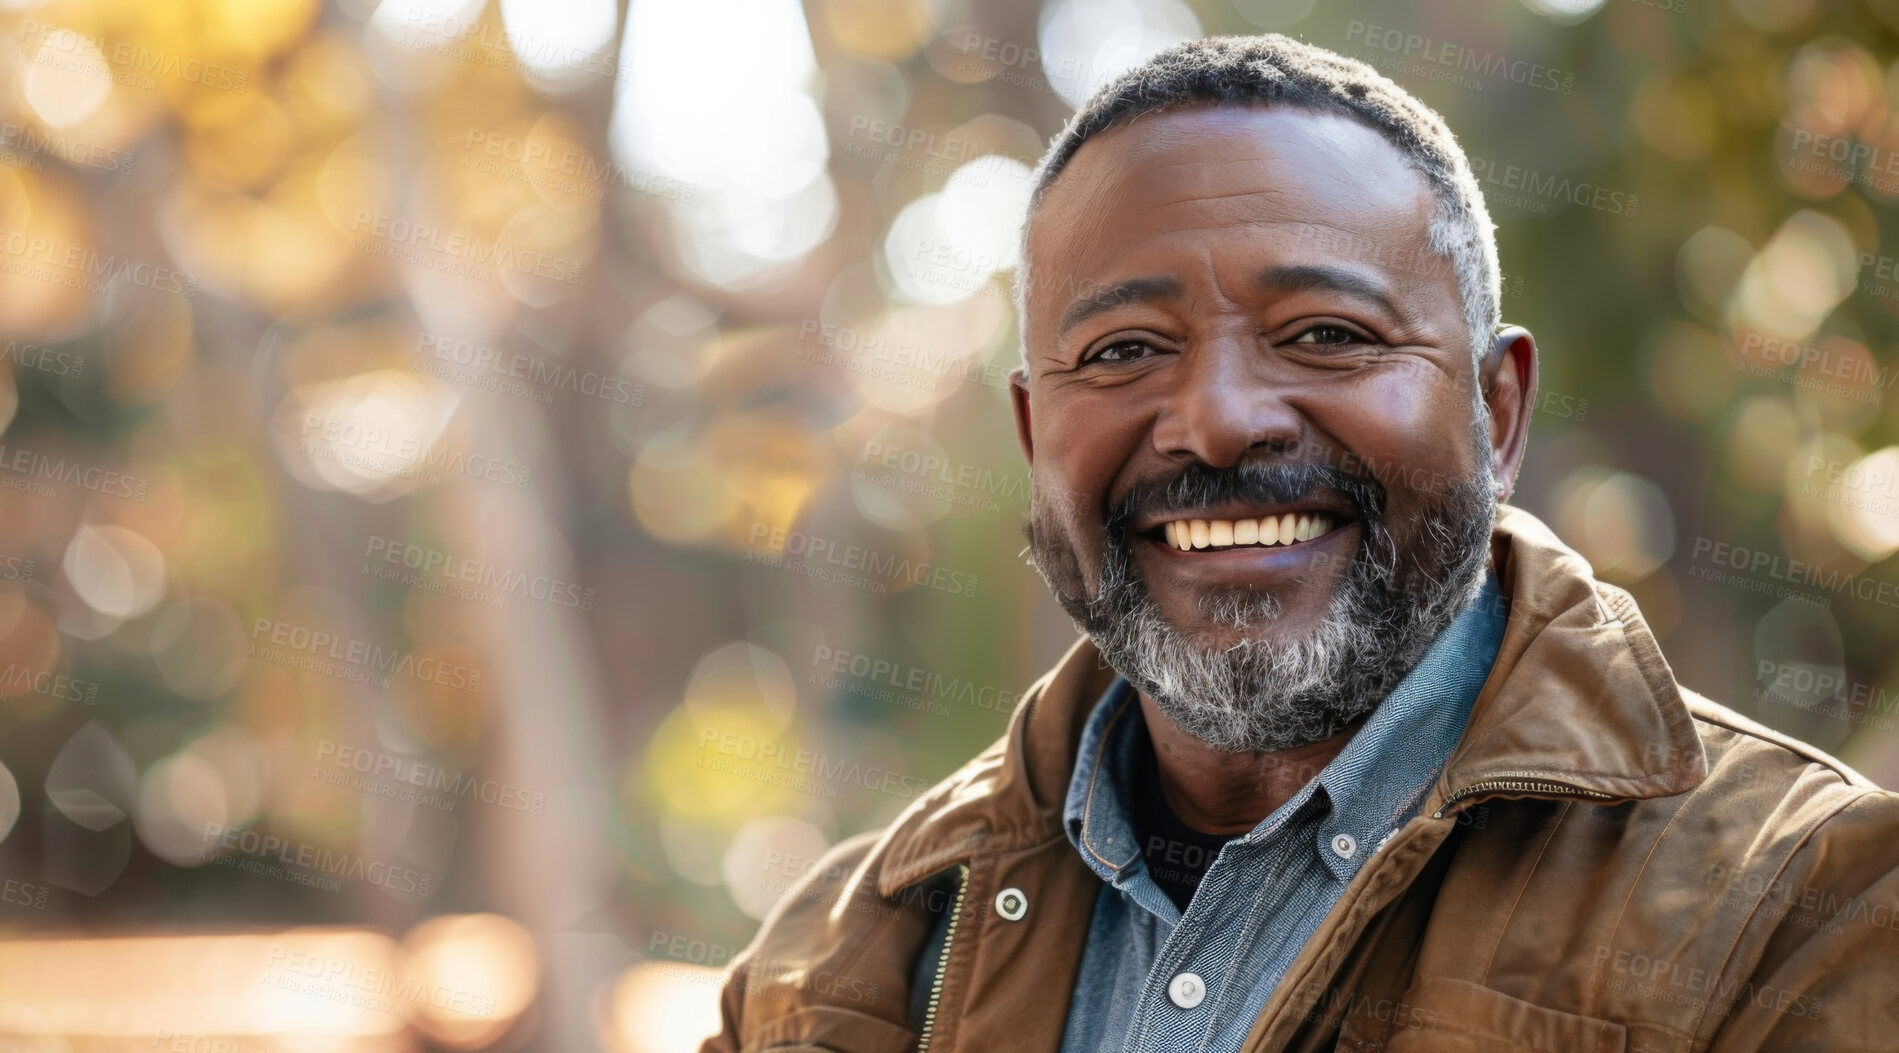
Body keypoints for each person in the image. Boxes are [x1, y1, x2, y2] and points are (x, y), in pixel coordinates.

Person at [701, 33, 1899, 1052]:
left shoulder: (1800, 908)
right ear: (1033, 431)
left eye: (1325, 332)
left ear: (1497, 411)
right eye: (1123, 351)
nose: (1218, 421)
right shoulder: (839, 966)